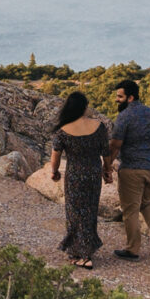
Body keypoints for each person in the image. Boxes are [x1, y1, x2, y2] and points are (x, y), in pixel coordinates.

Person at [106, 75, 150, 261]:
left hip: (133, 169)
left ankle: (132, 249)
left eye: (120, 96)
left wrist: (107, 166)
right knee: (145, 203)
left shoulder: (124, 116)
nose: (117, 100)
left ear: (130, 98)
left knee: (130, 209)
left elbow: (115, 145)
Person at [48, 90, 108, 268]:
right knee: (90, 211)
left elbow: (55, 155)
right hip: (93, 174)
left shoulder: (63, 131)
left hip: (75, 175)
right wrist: (108, 171)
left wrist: (54, 171)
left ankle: (81, 255)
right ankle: (85, 250)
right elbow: (106, 152)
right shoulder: (99, 126)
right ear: (84, 107)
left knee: (74, 213)